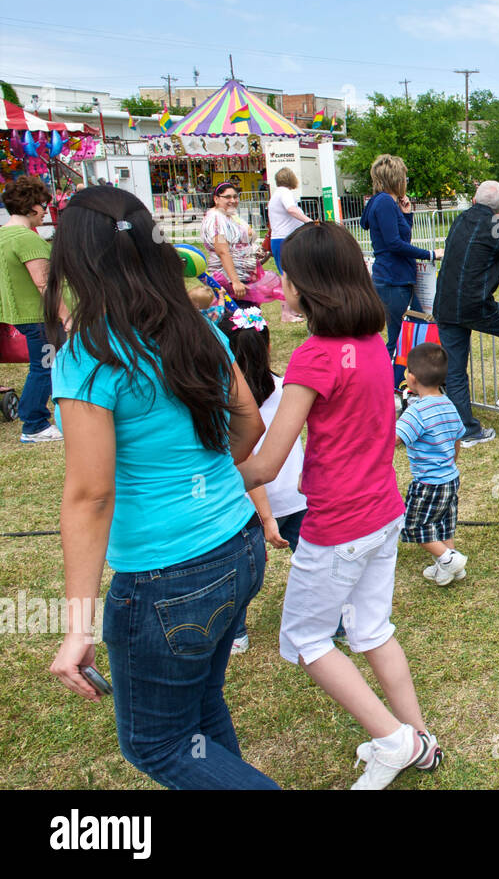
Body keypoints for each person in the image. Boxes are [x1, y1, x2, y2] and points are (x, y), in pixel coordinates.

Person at [47, 187, 277, 789]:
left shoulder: (90, 353)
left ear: (78, 259)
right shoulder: (196, 327)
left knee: (156, 742)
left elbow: (90, 495)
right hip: (238, 546)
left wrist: (77, 626)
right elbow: (250, 420)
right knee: (199, 713)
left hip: (166, 579)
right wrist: (208, 484)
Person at [239, 221, 442, 789]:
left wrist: (207, 476)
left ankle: (396, 740)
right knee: (372, 628)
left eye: (287, 275)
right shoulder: (374, 347)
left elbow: (268, 462)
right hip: (383, 514)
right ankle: (419, 738)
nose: (280, 284)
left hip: (338, 526)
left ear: (310, 285)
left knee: (305, 640)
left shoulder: (314, 356)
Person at [216, 301, 308, 655]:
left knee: (240, 573)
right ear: (268, 345)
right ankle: (336, 623)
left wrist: (267, 518)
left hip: (243, 504)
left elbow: (246, 459)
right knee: (315, 562)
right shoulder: (290, 388)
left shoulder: (220, 402)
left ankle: (236, 632)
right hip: (298, 497)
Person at [434, 179, 499, 446]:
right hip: (474, 305)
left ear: (473, 201)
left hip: (445, 305)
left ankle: (466, 432)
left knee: (456, 371)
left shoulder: (460, 220)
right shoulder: (496, 226)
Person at [1, 175, 67, 442]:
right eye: (43, 204)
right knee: (44, 366)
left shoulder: (5, 234)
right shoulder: (27, 240)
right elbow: (44, 284)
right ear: (31, 207)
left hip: (22, 314)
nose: (45, 210)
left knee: (44, 365)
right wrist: (67, 315)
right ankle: (34, 424)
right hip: (40, 316)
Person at [397, 342, 468, 585]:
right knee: (444, 523)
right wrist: (452, 461)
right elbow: (457, 437)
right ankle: (449, 567)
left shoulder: (415, 413)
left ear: (412, 378)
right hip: (450, 477)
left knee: (415, 526)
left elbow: (394, 439)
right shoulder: (448, 404)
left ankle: (449, 558)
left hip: (428, 482)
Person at [363, 154, 431, 391]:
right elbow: (394, 244)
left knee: (409, 331)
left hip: (395, 277)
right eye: (404, 177)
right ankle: (388, 386)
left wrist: (406, 214)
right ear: (396, 178)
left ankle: (400, 382)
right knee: (398, 336)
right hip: (393, 279)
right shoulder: (383, 203)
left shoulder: (385, 203)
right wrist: (430, 254)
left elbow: (402, 236)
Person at [202, 181, 284, 305]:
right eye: (228, 197)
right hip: (230, 280)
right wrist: (235, 281)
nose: (233, 200)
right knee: (240, 319)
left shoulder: (231, 216)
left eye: (235, 197)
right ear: (216, 199)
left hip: (244, 276)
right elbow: (222, 251)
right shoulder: (216, 219)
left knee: (251, 316)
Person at [267, 167, 311, 323]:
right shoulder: (285, 193)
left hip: (280, 239)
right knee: (288, 276)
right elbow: (291, 209)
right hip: (285, 239)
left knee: (287, 275)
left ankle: (290, 310)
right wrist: (309, 221)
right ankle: (287, 312)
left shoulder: (276, 195)